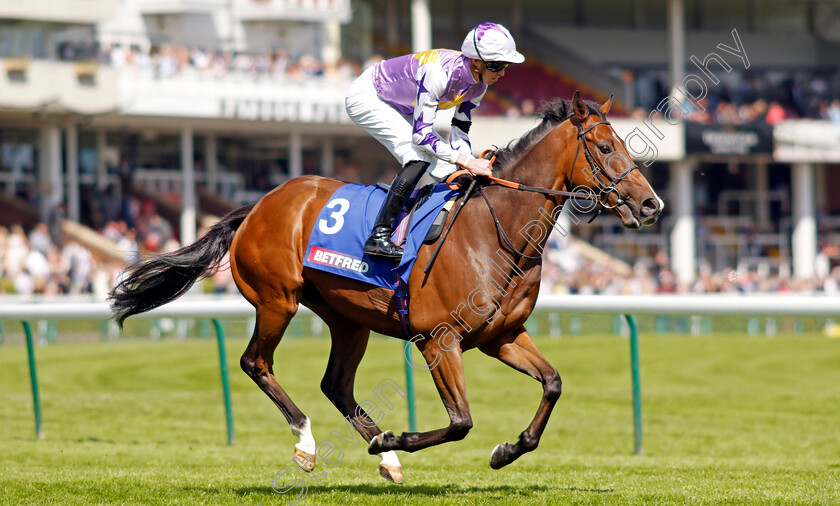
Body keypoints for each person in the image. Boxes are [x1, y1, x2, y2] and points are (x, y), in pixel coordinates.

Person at [345, 22, 525, 259]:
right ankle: (379, 235)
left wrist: (467, 163)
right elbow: (421, 136)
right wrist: (468, 162)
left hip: (401, 105)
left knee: (453, 170)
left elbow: (460, 129)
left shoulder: (479, 84)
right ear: (476, 62)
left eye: (506, 65)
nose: (502, 72)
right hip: (370, 96)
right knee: (418, 157)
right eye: (498, 65)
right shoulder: (438, 73)